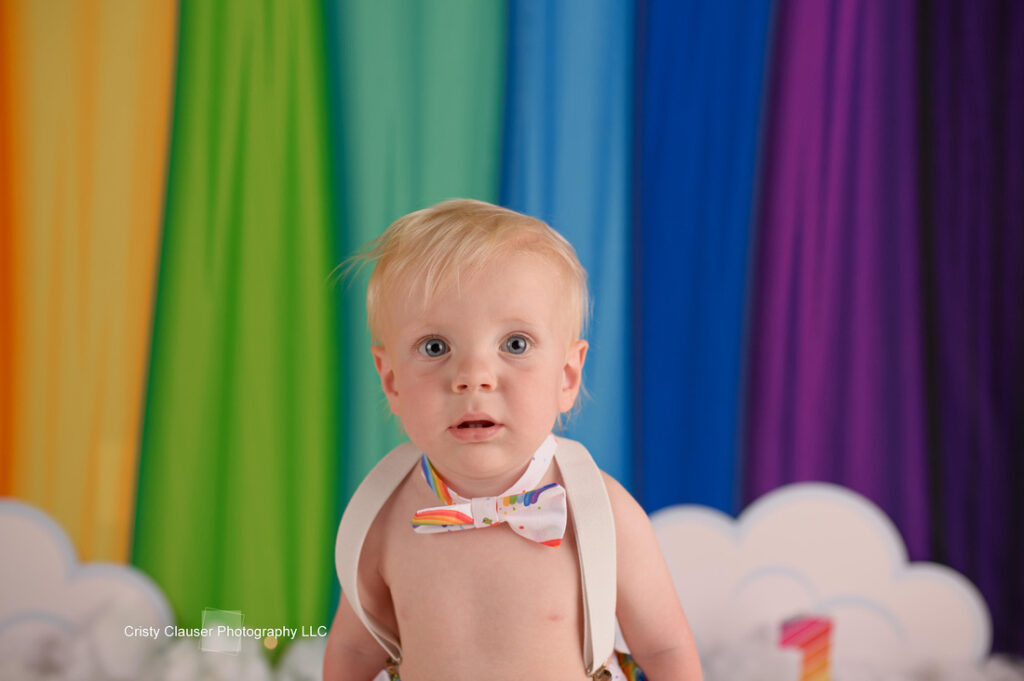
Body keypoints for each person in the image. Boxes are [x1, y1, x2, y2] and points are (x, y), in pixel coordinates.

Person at [323, 199, 702, 681]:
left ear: (566, 376)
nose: (474, 377)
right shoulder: (381, 516)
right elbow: (355, 651)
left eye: (515, 345)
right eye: (435, 347)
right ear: (391, 380)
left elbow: (666, 649)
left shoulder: (601, 512)